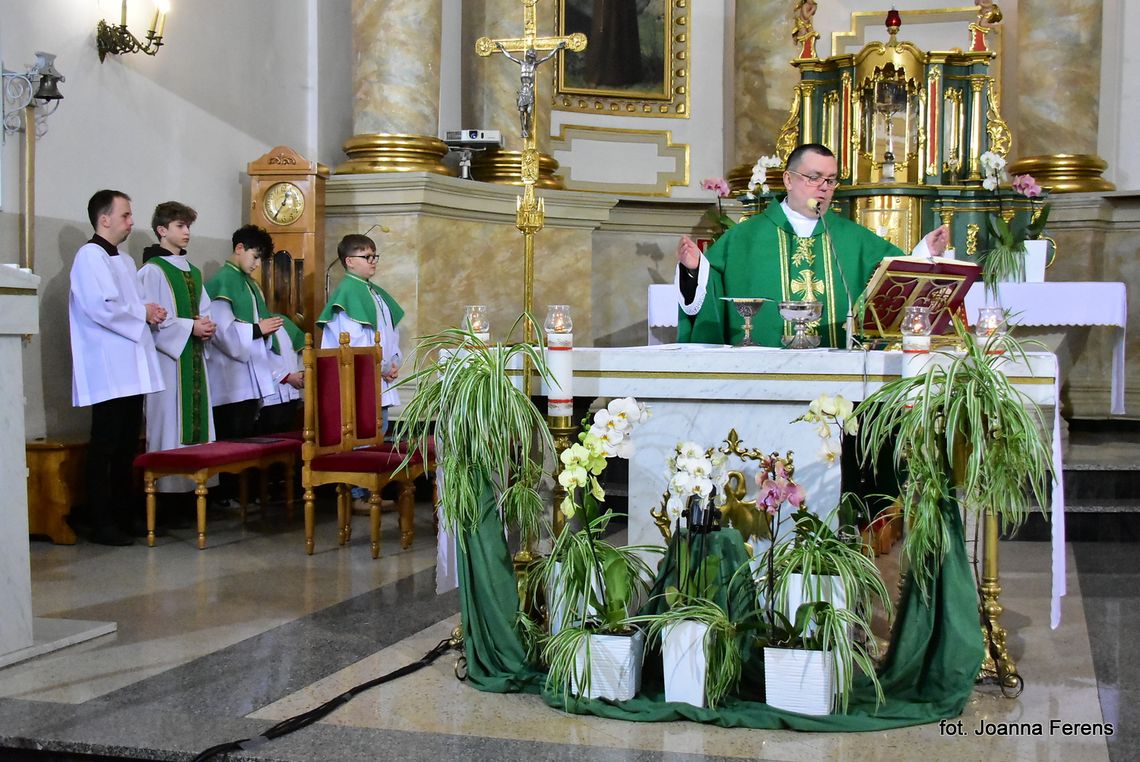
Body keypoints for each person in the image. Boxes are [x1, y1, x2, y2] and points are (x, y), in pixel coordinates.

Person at [676, 143, 949, 347]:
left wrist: (924, 252)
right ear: (788, 179)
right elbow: (709, 292)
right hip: (763, 381)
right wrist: (694, 270)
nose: (823, 187)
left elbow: (895, 278)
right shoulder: (743, 238)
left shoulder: (853, 239)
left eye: (830, 180)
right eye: (813, 177)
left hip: (839, 385)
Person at [69, 190, 166, 545]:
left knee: (127, 444)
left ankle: (125, 513)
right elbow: (101, 307)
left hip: (131, 366)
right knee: (105, 444)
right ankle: (101, 520)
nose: (131, 222)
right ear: (104, 219)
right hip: (108, 366)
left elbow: (131, 304)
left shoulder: (124, 261)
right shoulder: (89, 257)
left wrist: (149, 310)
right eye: (125, 215)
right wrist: (141, 312)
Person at [137, 202, 216, 495]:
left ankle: (194, 492)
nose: (187, 233)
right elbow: (151, 318)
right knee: (168, 424)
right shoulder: (151, 271)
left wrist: (207, 327)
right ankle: (167, 494)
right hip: (167, 363)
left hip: (193, 356)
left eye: (188, 227)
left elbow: (205, 310)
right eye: (180, 226)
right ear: (161, 230)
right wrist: (189, 327)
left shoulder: (192, 271)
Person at [204, 225, 301, 443]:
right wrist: (258, 329)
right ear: (239, 248)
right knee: (231, 444)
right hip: (229, 380)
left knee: (246, 446)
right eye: (255, 257)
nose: (257, 265)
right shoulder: (223, 281)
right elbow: (221, 332)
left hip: (249, 379)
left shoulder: (251, 284)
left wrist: (263, 331)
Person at [496, 43, 564, 138]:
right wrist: (502, 49)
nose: (531, 59)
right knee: (521, 111)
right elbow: (510, 56)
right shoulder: (522, 63)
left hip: (529, 91)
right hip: (523, 91)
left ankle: (527, 128)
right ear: (527, 56)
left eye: (532, 57)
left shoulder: (535, 65)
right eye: (529, 57)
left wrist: (557, 48)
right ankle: (523, 129)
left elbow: (548, 57)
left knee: (528, 112)